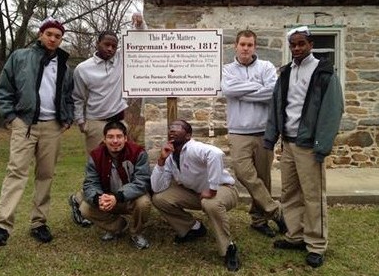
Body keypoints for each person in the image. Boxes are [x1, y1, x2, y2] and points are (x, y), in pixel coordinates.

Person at [0, 17, 74, 246]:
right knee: (16, 173)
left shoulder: (65, 65)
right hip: (24, 124)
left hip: (52, 127)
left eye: (58, 36)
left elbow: (68, 96)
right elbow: (4, 88)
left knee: (45, 175)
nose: (53, 39)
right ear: (41, 34)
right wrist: (11, 117)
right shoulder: (20, 57)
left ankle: (39, 223)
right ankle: (2, 226)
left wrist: (67, 119)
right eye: (50, 34)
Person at [264, 26, 344, 268]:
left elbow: (333, 111)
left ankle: (316, 245)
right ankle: (296, 235)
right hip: (288, 143)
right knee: (289, 193)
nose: (297, 48)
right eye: (293, 45)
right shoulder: (286, 72)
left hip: (309, 145)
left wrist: (322, 145)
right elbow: (276, 104)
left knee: (313, 196)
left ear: (311, 44)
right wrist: (272, 137)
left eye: (301, 44)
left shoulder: (324, 72)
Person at [151, 120, 240, 271]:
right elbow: (157, 187)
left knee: (210, 203)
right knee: (159, 199)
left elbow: (216, 154)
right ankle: (194, 228)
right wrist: (161, 160)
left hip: (223, 190)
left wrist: (212, 189)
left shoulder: (194, 148)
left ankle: (228, 249)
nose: (172, 130)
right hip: (197, 193)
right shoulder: (170, 155)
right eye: (170, 128)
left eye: (178, 128)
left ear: (188, 136)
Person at [221, 29, 286, 238]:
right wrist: (258, 88)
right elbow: (228, 90)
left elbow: (273, 92)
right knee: (244, 173)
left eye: (250, 45)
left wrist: (244, 92)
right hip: (238, 131)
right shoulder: (227, 69)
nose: (246, 48)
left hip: (263, 131)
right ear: (236, 46)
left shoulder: (266, 67)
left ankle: (259, 220)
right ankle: (275, 211)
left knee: (263, 177)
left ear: (254, 47)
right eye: (242, 44)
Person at [69, 30, 128, 227]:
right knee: (98, 167)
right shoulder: (82, 69)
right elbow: (77, 97)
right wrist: (81, 122)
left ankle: (101, 202)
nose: (110, 49)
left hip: (119, 121)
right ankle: (81, 202)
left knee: (120, 167)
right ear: (97, 44)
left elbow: (139, 38)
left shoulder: (121, 60)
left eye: (114, 45)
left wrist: (139, 23)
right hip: (96, 122)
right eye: (106, 45)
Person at [76, 121, 152, 249]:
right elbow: (90, 183)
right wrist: (98, 198)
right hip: (107, 197)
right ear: (104, 139)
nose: (115, 141)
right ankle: (117, 226)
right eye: (110, 137)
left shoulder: (138, 153)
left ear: (125, 138)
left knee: (143, 202)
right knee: (85, 208)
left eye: (119, 136)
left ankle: (136, 233)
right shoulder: (95, 156)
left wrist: (118, 197)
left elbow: (142, 181)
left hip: (130, 197)